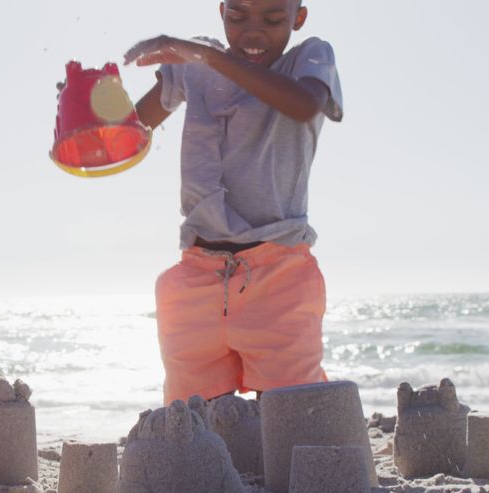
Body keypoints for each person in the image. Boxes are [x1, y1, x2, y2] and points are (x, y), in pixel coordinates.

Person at [122, 0, 342, 405]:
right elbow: (128, 133)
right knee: (193, 430)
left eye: (273, 19)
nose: (253, 31)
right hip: (196, 277)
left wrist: (206, 55)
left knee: (294, 421)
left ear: (299, 17)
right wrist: (84, 118)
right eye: (238, 17)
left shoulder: (308, 58)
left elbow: (304, 105)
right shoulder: (194, 63)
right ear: (221, 11)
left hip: (280, 275)